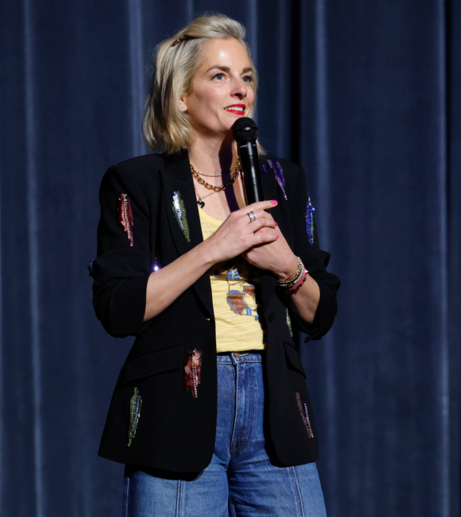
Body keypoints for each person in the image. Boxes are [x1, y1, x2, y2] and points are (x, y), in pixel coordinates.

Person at [90, 14, 340, 516]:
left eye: (246, 76)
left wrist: (286, 264)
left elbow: (321, 312)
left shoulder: (282, 181)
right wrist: (214, 248)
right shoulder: (137, 182)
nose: (239, 89)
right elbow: (119, 308)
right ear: (182, 96)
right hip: (178, 404)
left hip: (274, 404)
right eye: (220, 75)